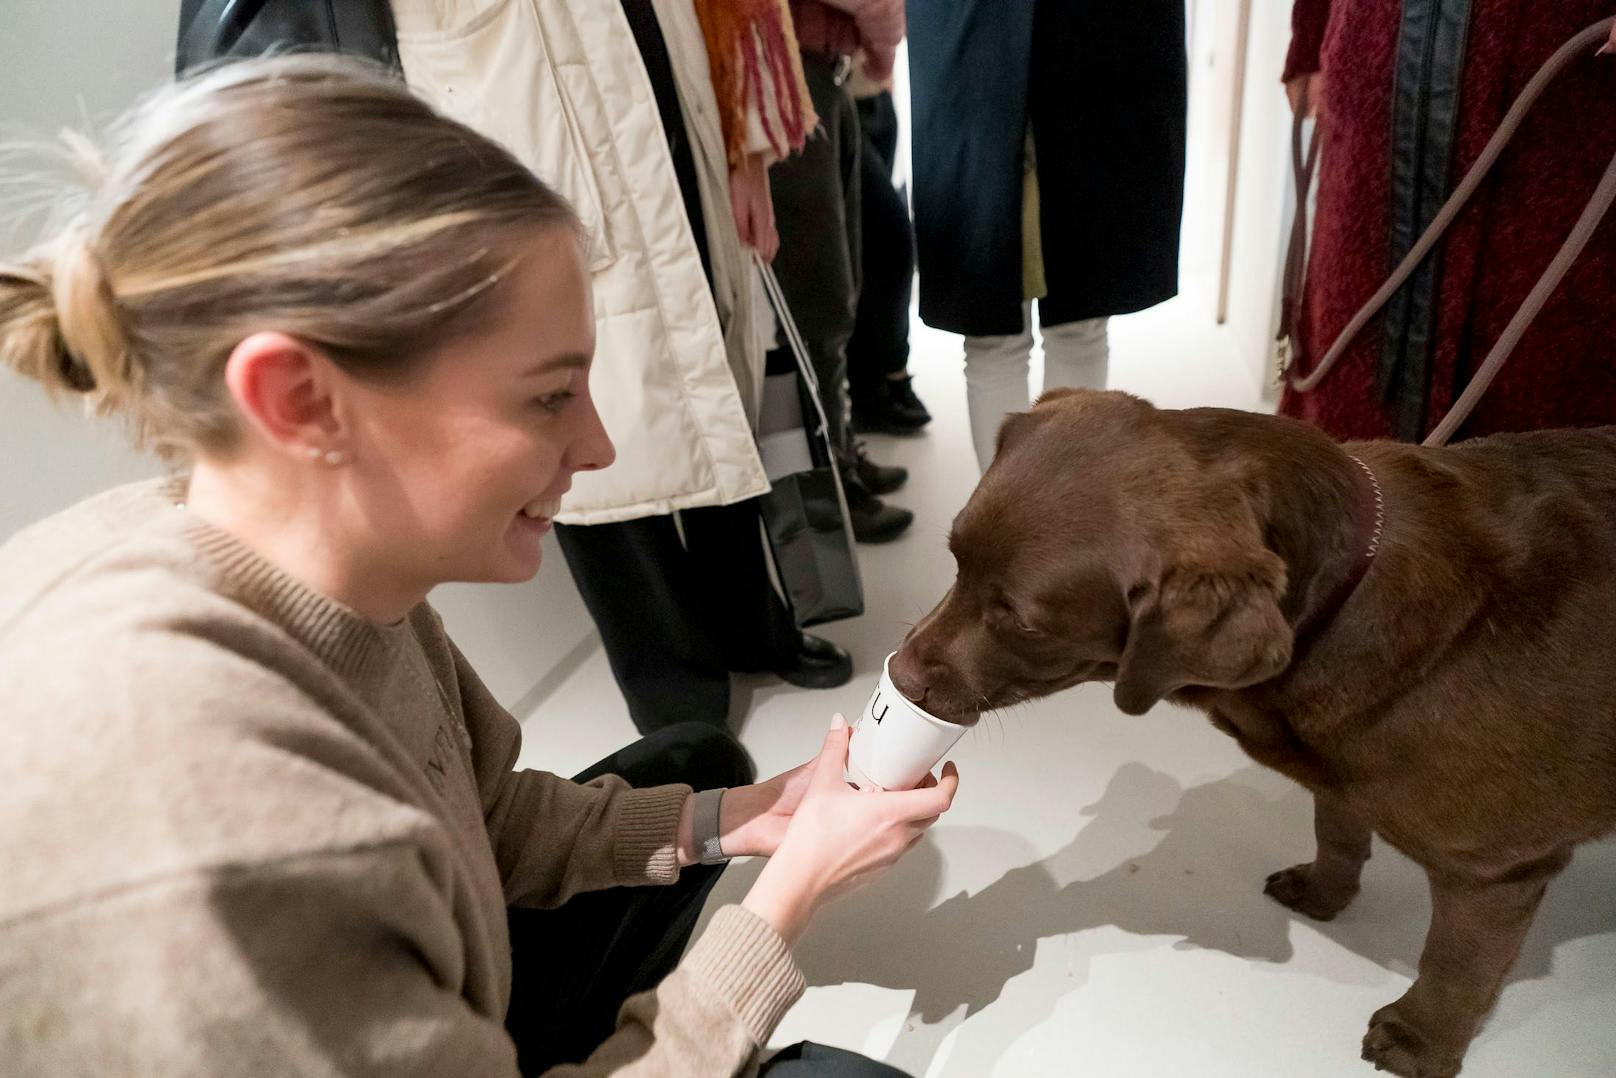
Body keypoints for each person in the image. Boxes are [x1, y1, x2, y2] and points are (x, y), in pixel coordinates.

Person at [0, 56, 958, 1076]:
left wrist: (753, 826)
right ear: (300, 398)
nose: (596, 446)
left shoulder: (317, 560)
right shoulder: (220, 849)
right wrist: (785, 903)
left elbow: (488, 816)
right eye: (548, 397)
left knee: (700, 772)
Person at [381, 0, 856, 733]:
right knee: (579, 432)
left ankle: (748, 620)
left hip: (669, 92)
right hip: (520, 137)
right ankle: (671, 684)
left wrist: (744, 151)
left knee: (714, 383)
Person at [1279, 1, 1616, 442]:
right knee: (1346, 412)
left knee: (1530, 450)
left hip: (1562, 117)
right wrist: (1309, 35)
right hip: (1370, 87)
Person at [907, 0, 1186, 471]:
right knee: (991, 321)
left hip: (1109, 38)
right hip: (971, 30)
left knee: (1082, 312)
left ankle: (1063, 522)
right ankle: (1005, 527)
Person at [770, 0, 917, 542]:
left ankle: (841, 454)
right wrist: (883, 39)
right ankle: (829, 482)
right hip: (791, 75)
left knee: (842, 283)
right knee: (821, 297)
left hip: (825, 76)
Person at [847, 66, 932, 438]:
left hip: (875, 92)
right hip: (830, 91)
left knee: (865, 248)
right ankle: (893, 371)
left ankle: (870, 393)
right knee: (893, 238)